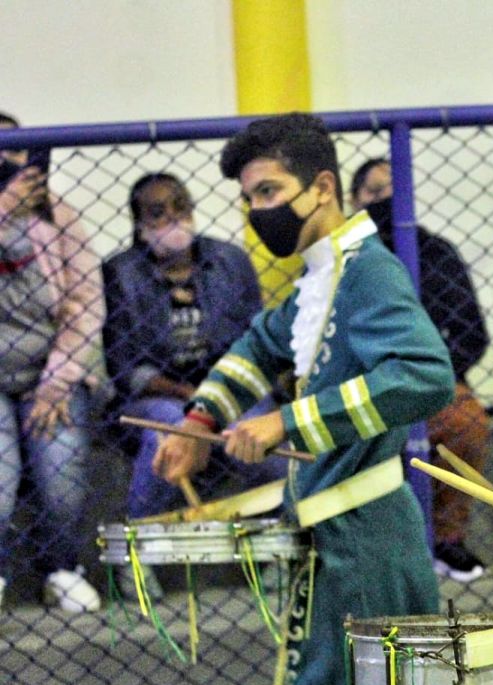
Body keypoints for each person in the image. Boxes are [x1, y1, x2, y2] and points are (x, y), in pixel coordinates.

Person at [151, 113, 454, 685]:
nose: (256, 213)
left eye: (267, 192)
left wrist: (288, 420)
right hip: (335, 542)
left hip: (367, 543)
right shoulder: (323, 277)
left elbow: (425, 376)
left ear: (322, 188)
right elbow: (258, 345)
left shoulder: (368, 274)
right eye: (249, 199)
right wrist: (198, 421)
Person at [102, 172, 285, 598]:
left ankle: (270, 544)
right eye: (157, 211)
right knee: (171, 428)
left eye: (180, 206)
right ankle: (136, 550)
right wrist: (194, 400)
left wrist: (219, 395)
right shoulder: (120, 273)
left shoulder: (230, 261)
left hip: (229, 387)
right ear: (138, 222)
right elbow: (125, 368)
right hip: (156, 397)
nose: (172, 217)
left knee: (264, 429)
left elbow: (255, 343)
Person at [349, 157, 491, 582]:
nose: (386, 200)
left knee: (465, 420)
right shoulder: (344, 258)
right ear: (353, 201)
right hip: (365, 387)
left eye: (395, 191)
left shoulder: (436, 253)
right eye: (374, 193)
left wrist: (427, 375)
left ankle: (446, 540)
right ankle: (370, 548)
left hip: (433, 384)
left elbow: (471, 333)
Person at [0, 112, 104, 613]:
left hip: (51, 376)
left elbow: (85, 305)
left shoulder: (60, 216)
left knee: (60, 470)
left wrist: (55, 383)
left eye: (16, 154)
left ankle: (62, 567)